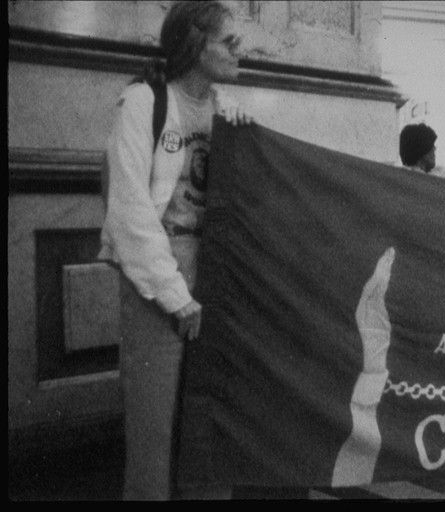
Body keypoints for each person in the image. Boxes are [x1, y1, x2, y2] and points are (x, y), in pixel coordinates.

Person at [99, 0, 256, 499]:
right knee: (154, 436)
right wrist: (175, 295)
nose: (240, 52)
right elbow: (128, 208)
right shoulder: (144, 102)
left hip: (212, 283)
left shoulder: (226, 112)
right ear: (194, 42)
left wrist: (247, 141)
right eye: (229, 42)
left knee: (209, 431)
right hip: (156, 289)